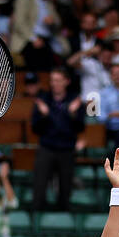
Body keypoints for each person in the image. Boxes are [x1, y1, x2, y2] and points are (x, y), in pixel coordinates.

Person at [30, 67, 84, 213]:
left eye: (58, 80)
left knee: (65, 189)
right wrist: (44, 115)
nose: (55, 84)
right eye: (53, 80)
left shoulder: (75, 100)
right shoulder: (43, 99)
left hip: (66, 149)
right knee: (39, 187)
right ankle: (37, 219)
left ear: (67, 81)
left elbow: (80, 127)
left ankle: (63, 220)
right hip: (47, 147)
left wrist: (72, 114)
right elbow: (35, 128)